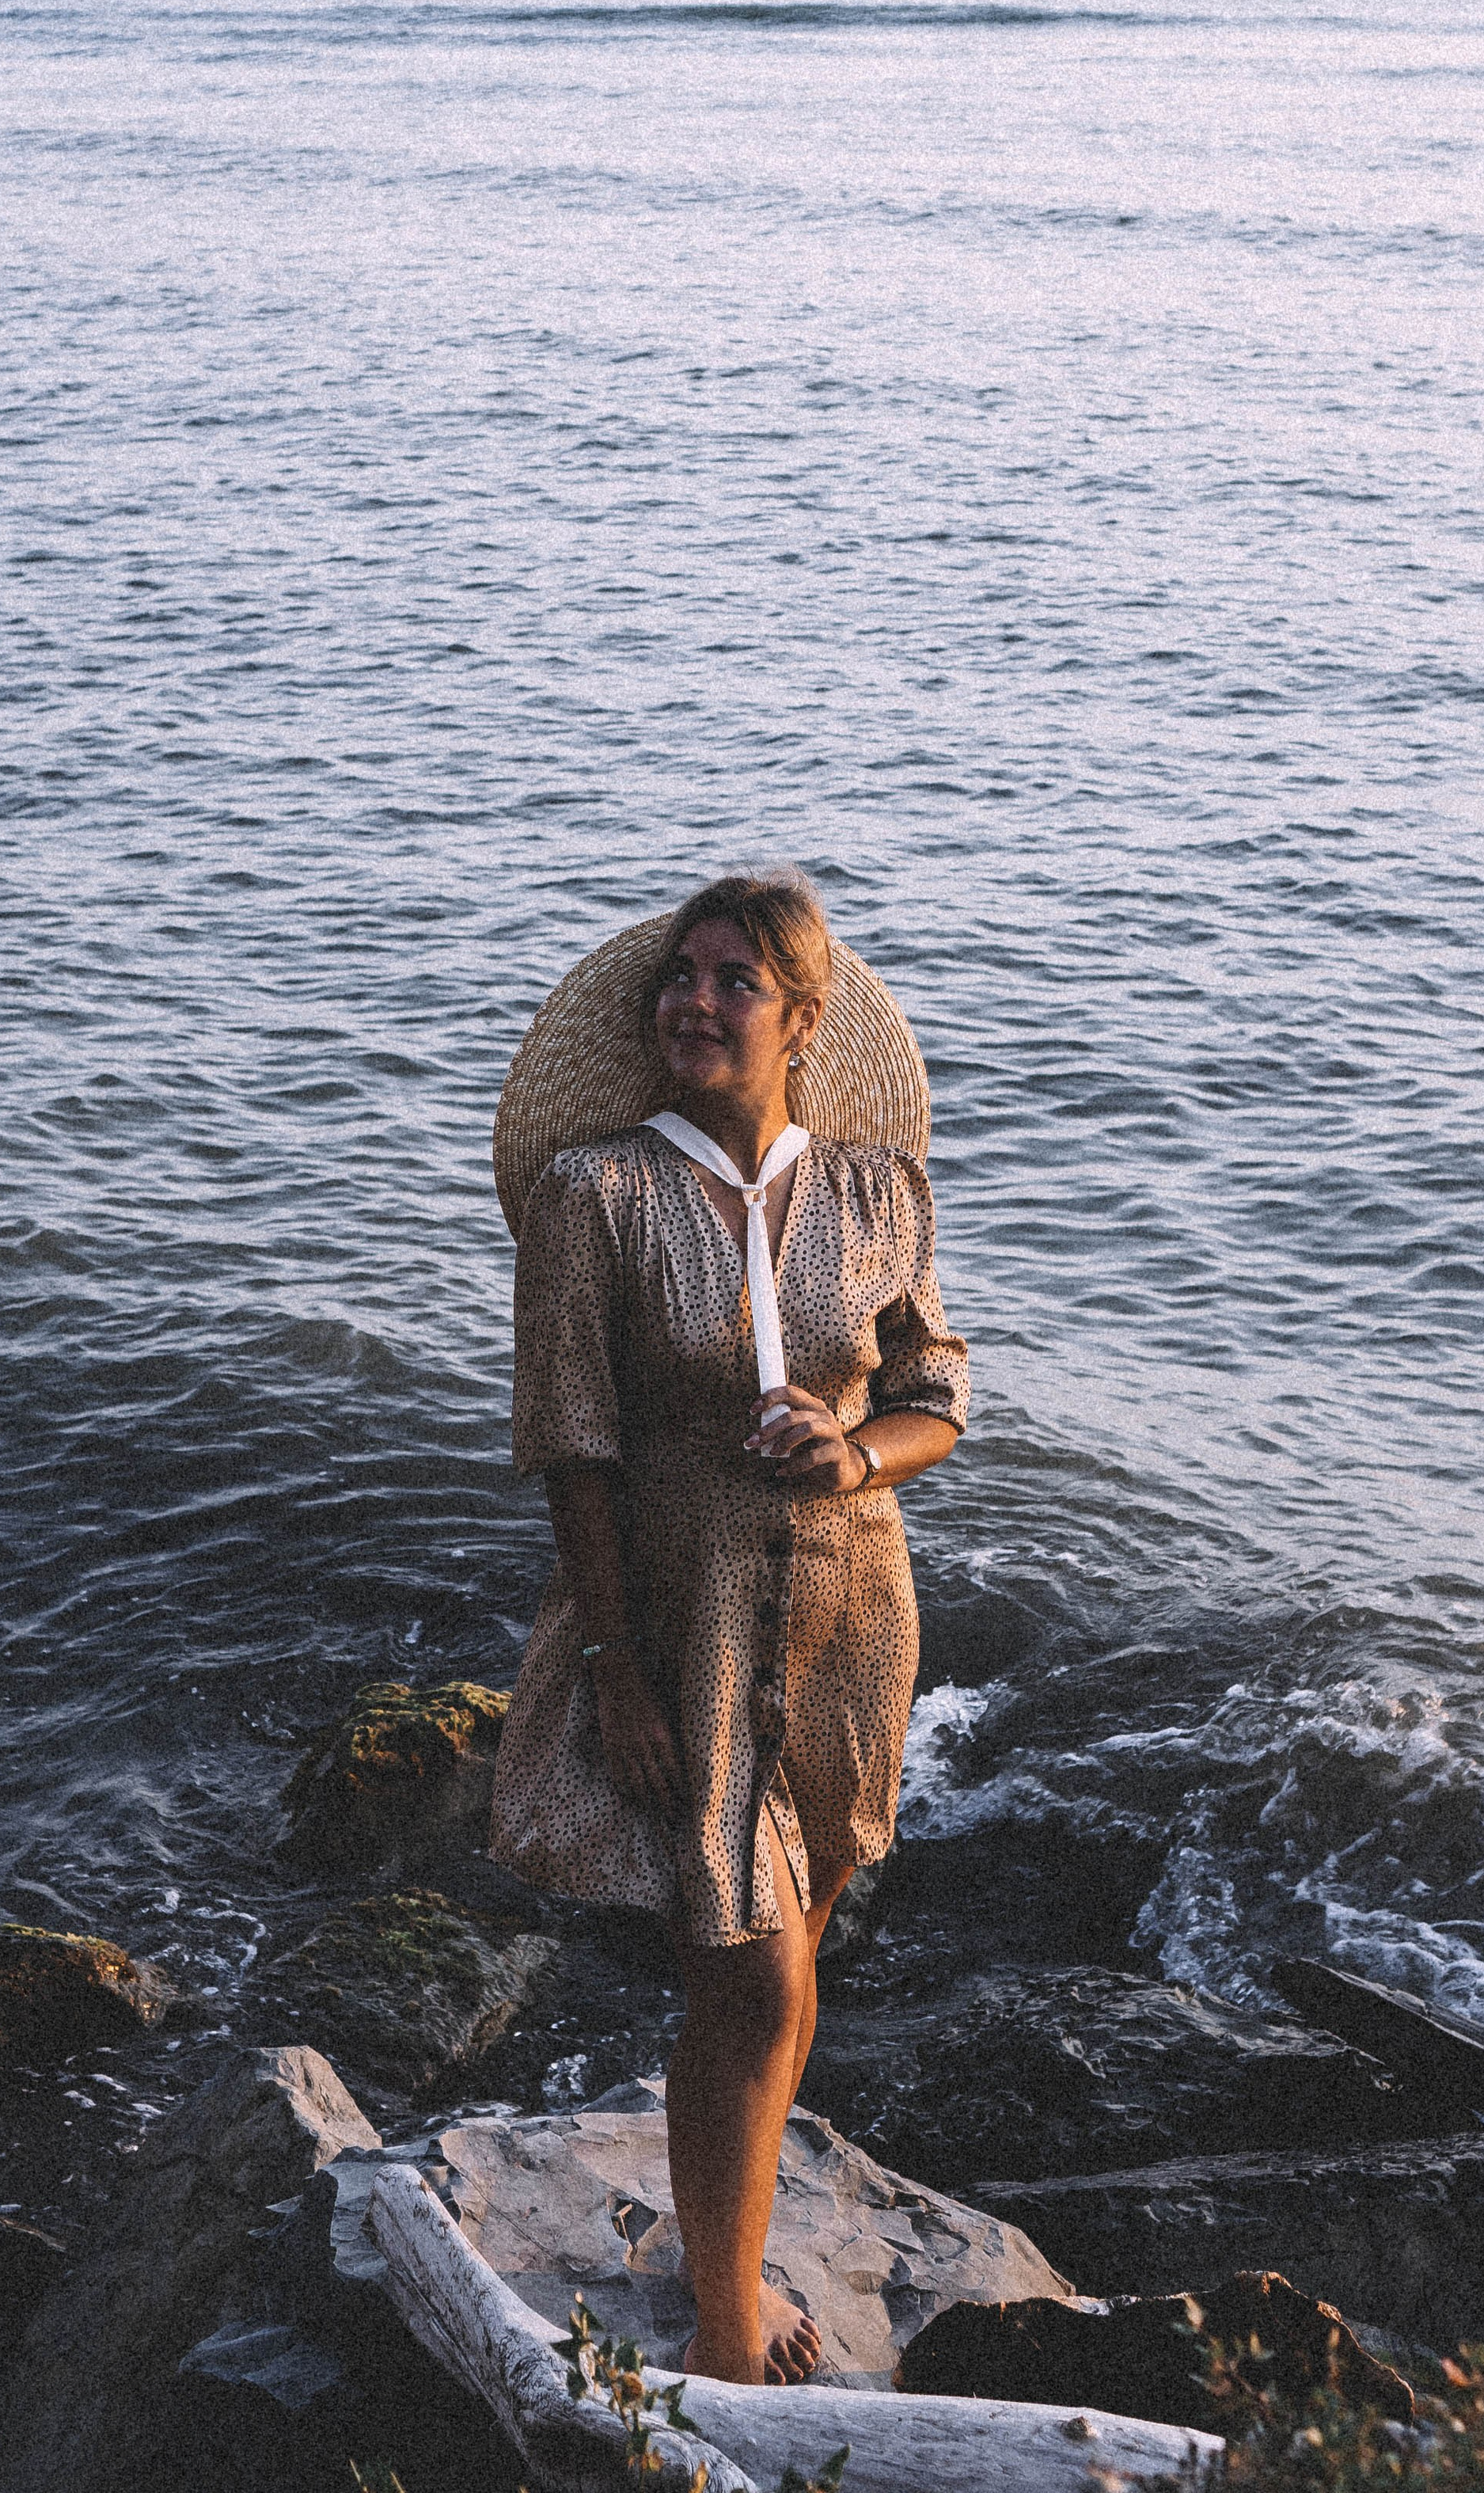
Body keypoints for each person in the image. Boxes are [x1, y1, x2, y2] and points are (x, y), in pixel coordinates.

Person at [488, 871, 968, 2387]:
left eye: (733, 980)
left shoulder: (880, 1190)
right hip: (681, 1623)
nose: (693, 1002)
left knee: (793, 1951)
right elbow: (572, 1445)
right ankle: (719, 2315)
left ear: (801, 1018)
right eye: (678, 978)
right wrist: (613, 1664)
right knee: (742, 1972)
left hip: (851, 1618)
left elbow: (934, 1390)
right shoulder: (596, 1195)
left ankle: (731, 2247)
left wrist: (858, 1451)